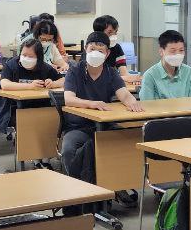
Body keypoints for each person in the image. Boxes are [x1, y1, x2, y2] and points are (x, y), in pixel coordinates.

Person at [61, 31, 143, 183]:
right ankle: (77, 189)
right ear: (86, 49)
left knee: (128, 141)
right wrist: (92, 104)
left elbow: (124, 94)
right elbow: (69, 99)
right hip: (78, 127)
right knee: (68, 150)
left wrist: (132, 102)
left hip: (105, 126)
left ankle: (117, 185)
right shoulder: (74, 71)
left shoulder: (111, 73)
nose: (96, 53)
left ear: (107, 53)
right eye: (92, 49)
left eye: (100, 50)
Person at [139, 29, 191, 100]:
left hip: (186, 111)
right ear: (161, 51)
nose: (178, 55)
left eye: (181, 50)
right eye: (173, 51)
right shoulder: (150, 76)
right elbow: (147, 106)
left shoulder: (189, 72)